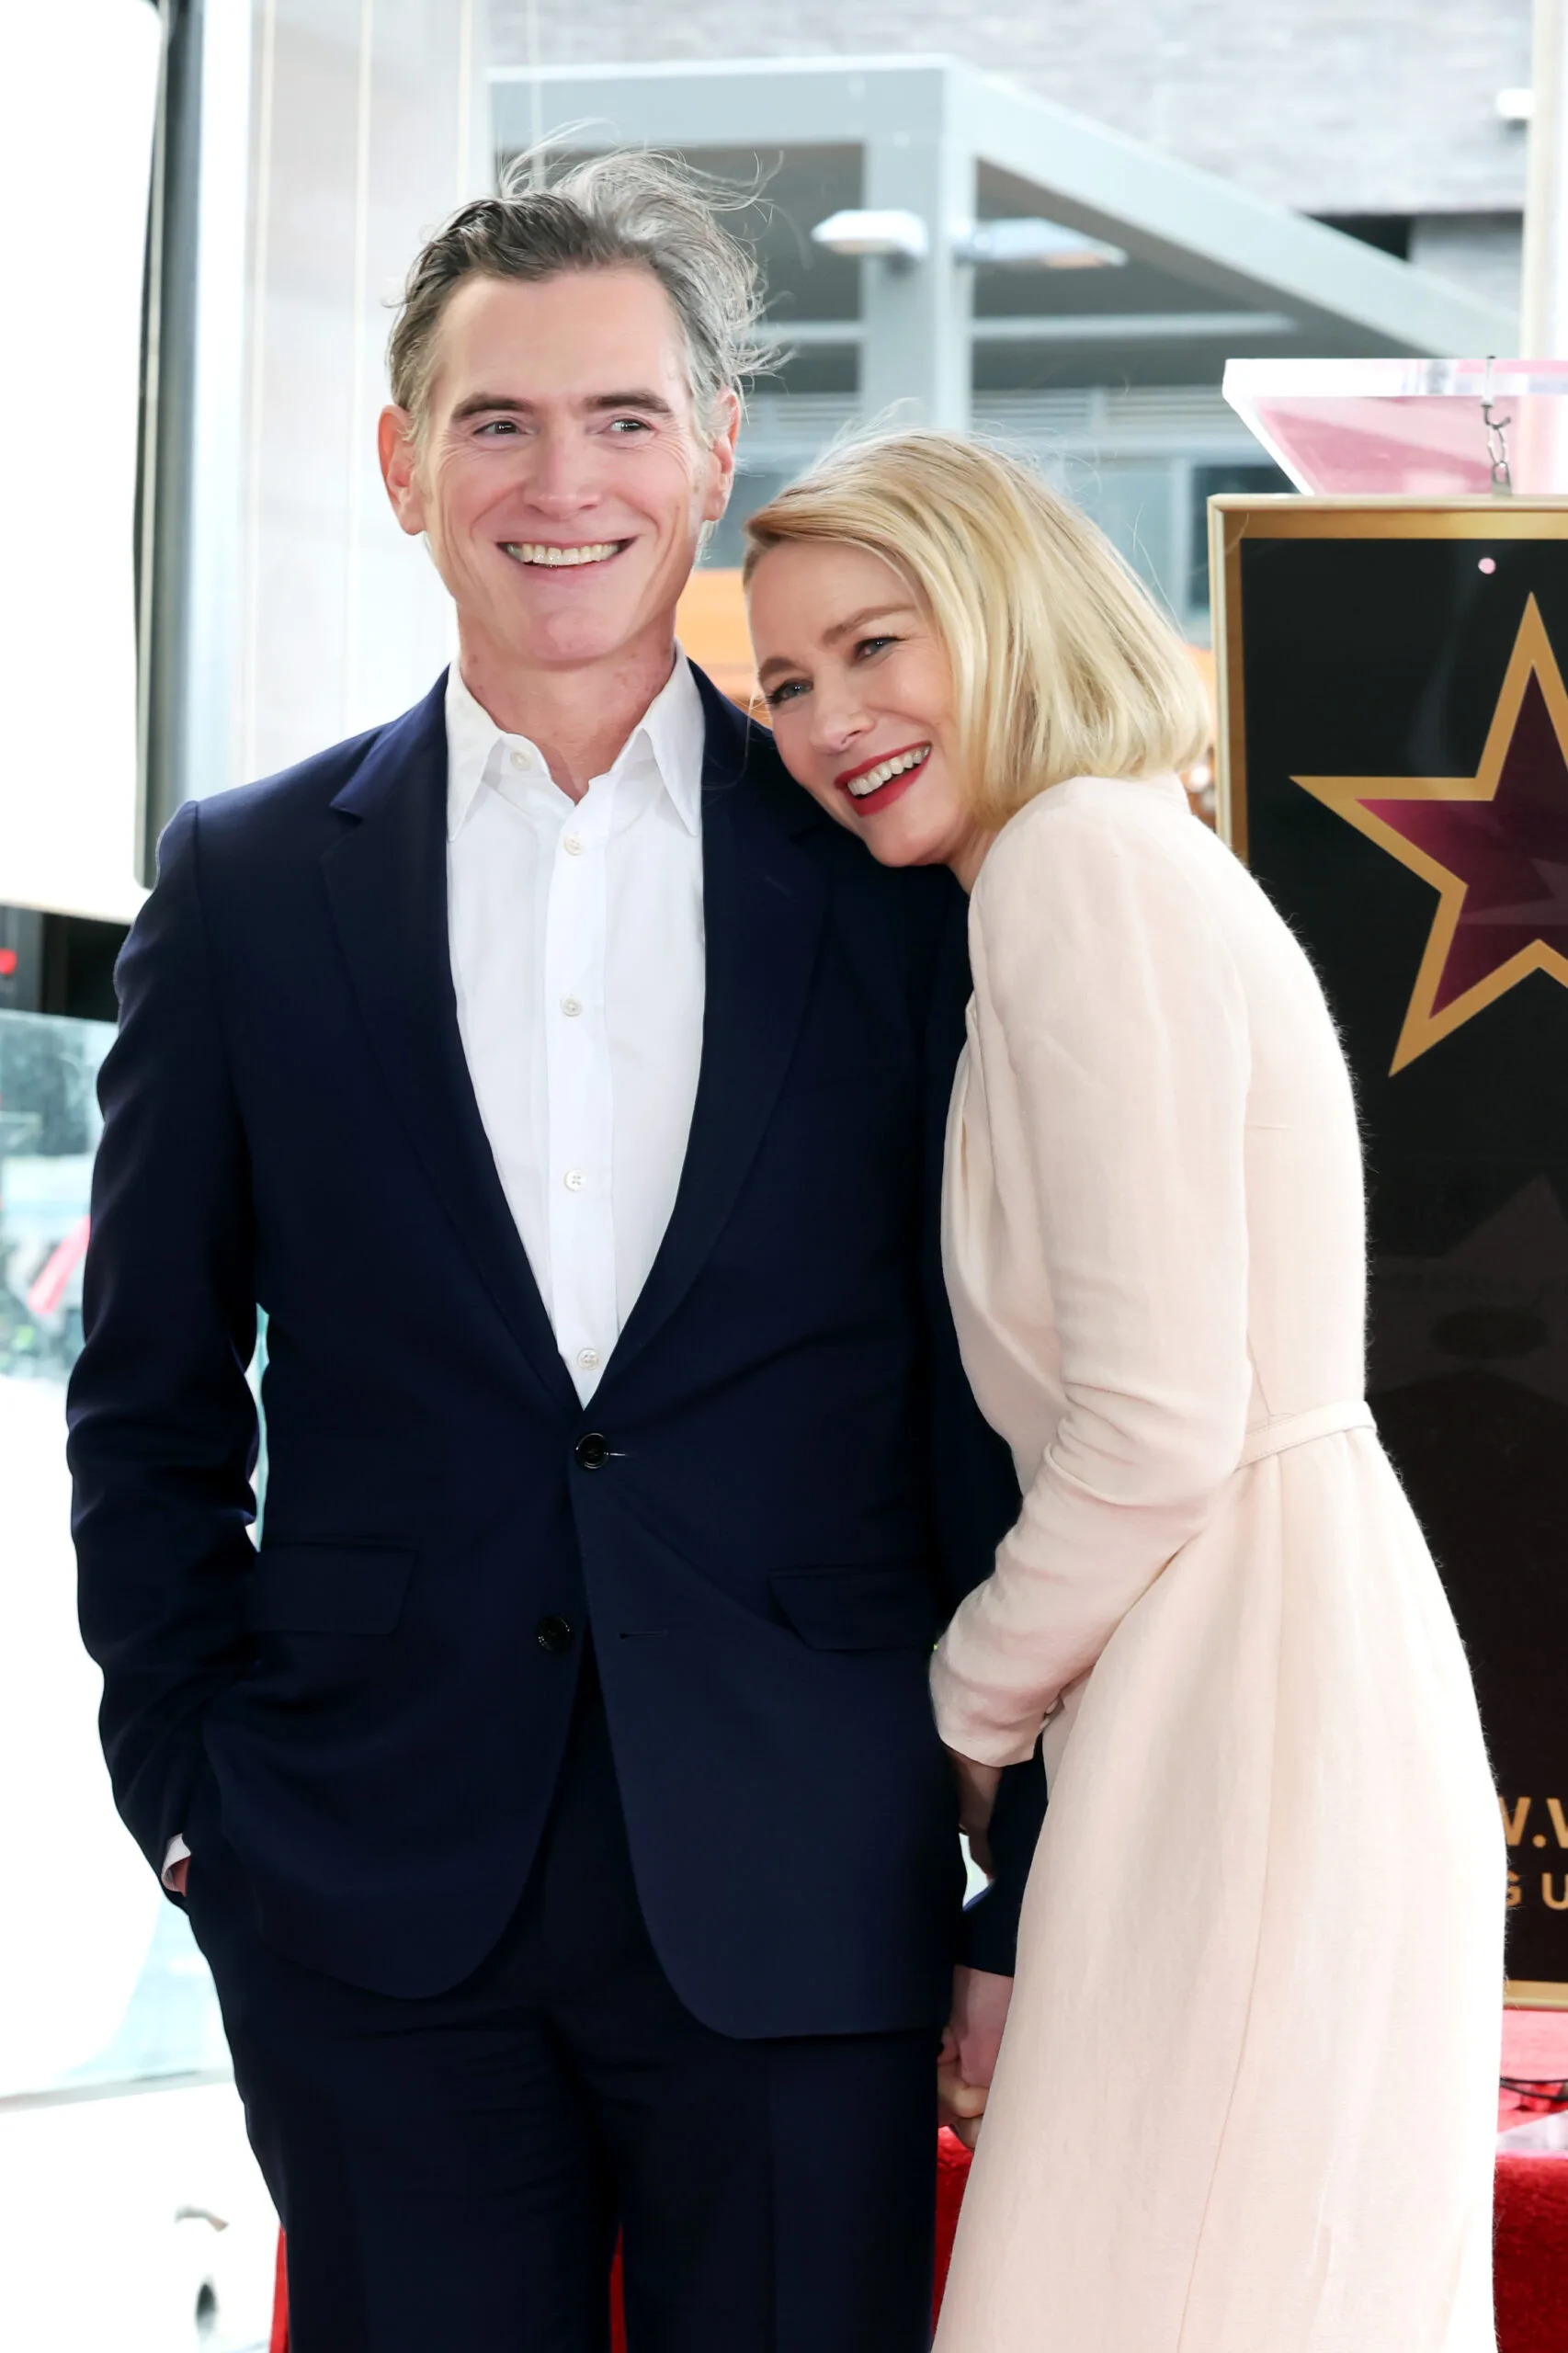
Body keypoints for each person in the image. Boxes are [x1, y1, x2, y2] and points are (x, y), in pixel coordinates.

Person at [67, 163, 1043, 2353]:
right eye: (495, 421)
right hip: (365, 1890)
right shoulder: (245, 887)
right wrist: (192, 1799)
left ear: (713, 451)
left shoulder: (898, 881)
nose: (561, 481)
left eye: (621, 418)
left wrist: (1026, 1870)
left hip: (806, 1877)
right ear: (402, 462)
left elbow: (997, 1396)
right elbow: (146, 1404)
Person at [744, 431, 1506, 2352]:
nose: (831, 721)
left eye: (876, 644)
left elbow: (1157, 1423)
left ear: (1005, 610)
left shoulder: (1070, 866)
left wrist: (956, 1709)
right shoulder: (1113, 854)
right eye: (786, 683)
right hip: (1252, 1673)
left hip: (1235, 1694)